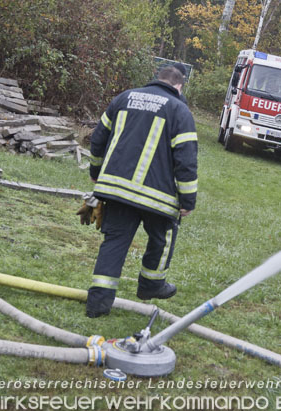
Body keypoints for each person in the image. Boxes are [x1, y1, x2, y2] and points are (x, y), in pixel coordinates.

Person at [85, 66, 198, 318]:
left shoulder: (124, 98)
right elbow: (186, 159)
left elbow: (98, 138)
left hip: (115, 189)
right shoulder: (180, 110)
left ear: (157, 80)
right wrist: (188, 199)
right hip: (156, 197)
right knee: (163, 238)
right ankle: (151, 285)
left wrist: (95, 170)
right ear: (179, 87)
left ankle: (98, 303)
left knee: (114, 243)